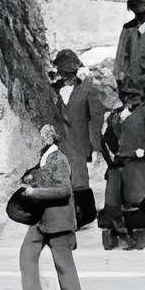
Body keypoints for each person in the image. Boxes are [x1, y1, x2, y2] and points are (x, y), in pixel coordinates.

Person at [16, 123, 84, 290]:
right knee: (27, 253)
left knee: (63, 261)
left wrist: (35, 193)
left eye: (40, 137)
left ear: (49, 139)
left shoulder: (59, 159)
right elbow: (43, 178)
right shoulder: (44, 158)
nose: (37, 140)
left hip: (58, 219)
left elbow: (64, 190)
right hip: (41, 218)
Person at [97, 83, 145, 251]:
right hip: (119, 163)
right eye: (128, 96)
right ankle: (117, 231)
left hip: (140, 163)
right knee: (113, 197)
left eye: (135, 96)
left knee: (134, 198)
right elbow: (105, 140)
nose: (131, 100)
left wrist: (144, 151)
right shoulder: (115, 116)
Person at [49, 49, 108, 223]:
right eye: (64, 71)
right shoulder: (53, 91)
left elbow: (96, 118)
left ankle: (85, 214)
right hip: (60, 142)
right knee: (60, 179)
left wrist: (95, 144)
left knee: (79, 178)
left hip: (79, 140)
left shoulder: (88, 90)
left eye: (70, 71)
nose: (67, 75)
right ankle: (65, 215)